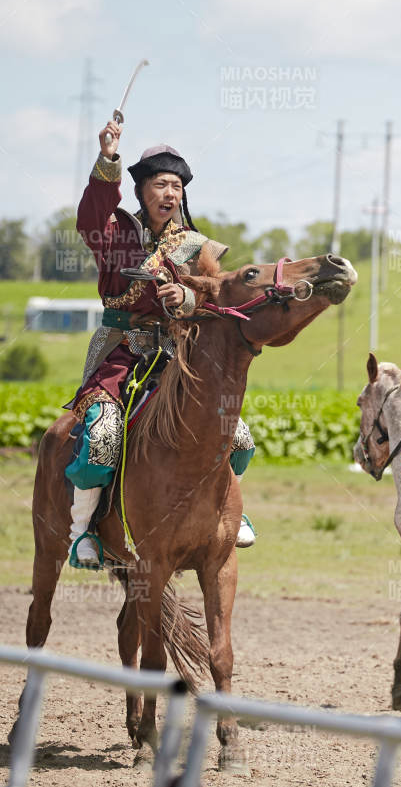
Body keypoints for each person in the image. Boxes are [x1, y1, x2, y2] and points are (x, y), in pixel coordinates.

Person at [64, 120, 258, 568]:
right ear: (141, 190)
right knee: (101, 436)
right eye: (160, 184)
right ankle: (82, 532)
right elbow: (89, 215)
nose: (169, 193)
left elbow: (214, 298)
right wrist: (108, 158)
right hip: (119, 353)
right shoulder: (112, 232)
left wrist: (185, 298)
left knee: (239, 437)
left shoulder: (196, 246)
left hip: (176, 359)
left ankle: (230, 511)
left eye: (176, 186)